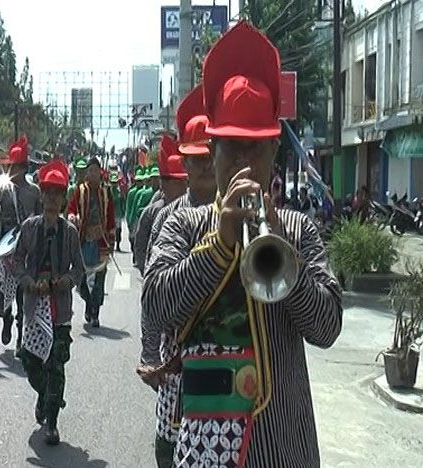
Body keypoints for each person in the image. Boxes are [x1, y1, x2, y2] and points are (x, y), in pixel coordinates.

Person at [142, 22, 342, 467]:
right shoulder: (183, 225)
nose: (244, 163)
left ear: (275, 152)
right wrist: (219, 246)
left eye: (257, 149)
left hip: (283, 449)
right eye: (232, 148)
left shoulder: (298, 229)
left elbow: (327, 329)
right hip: (205, 448)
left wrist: (286, 255)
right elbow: (156, 306)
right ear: (212, 149)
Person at [137, 83, 217, 468]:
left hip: (225, 364)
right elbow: (152, 294)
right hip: (176, 354)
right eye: (195, 159)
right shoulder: (167, 218)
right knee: (168, 446)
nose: (204, 166)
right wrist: (149, 352)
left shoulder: (244, 215)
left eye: (210, 156)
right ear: (184, 163)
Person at [13, 159, 85, 446]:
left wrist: (63, 282)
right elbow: (16, 261)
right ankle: (45, 395)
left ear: (64, 198)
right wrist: (28, 282)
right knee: (30, 361)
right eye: (48, 192)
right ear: (41, 196)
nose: (53, 198)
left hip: (59, 311)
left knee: (56, 365)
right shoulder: (29, 228)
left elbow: (78, 270)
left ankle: (52, 422)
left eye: (58, 193)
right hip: (33, 308)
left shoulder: (70, 233)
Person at [0, 135, 41, 349]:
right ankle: (5, 316)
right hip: (5, 247)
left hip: (26, 249)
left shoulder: (34, 192)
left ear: (24, 168)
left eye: (15, 166)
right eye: (9, 167)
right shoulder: (4, 189)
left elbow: (41, 220)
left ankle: (20, 338)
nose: (11, 170)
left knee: (22, 294)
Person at [67, 155, 115, 327]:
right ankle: (88, 303)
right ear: (87, 173)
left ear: (100, 172)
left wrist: (112, 239)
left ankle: (95, 314)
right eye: (90, 171)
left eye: (96, 170)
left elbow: (111, 216)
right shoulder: (80, 191)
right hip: (84, 240)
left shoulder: (106, 192)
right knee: (81, 278)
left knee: (100, 279)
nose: (93, 173)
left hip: (101, 241)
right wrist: (73, 216)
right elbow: (71, 209)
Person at [134, 135, 188, 275]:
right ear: (163, 183)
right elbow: (141, 247)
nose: (182, 186)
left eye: (183, 181)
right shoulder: (153, 212)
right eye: (175, 181)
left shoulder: (195, 211)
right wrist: (148, 274)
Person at [110, 170, 127, 252]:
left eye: (115, 182)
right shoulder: (108, 192)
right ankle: (111, 245)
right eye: (113, 182)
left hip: (118, 214)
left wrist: (123, 211)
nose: (114, 184)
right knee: (111, 231)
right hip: (110, 215)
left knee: (118, 231)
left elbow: (123, 202)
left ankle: (118, 245)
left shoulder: (119, 192)